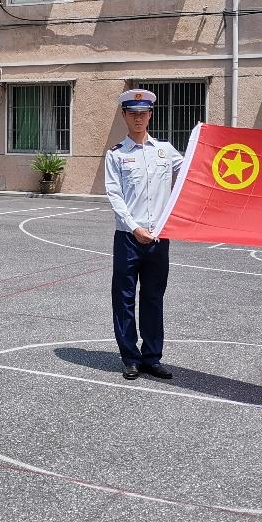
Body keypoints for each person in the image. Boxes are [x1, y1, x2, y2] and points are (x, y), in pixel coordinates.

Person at [102, 89, 183, 381]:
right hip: (128, 238)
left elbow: (191, 172)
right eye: (132, 113)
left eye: (143, 113)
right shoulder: (116, 155)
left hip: (158, 240)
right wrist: (135, 228)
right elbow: (114, 194)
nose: (138, 118)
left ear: (150, 115)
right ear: (124, 115)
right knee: (124, 298)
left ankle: (151, 357)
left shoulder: (165, 151)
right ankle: (130, 358)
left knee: (153, 298)